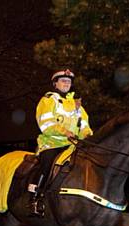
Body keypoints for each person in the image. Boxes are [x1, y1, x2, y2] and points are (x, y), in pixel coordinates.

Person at [28, 69, 93, 217]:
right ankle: (35, 198)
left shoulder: (78, 106)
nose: (66, 84)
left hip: (72, 145)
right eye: (63, 81)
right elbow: (45, 123)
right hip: (52, 143)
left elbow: (84, 125)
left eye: (69, 82)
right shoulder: (49, 100)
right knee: (47, 163)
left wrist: (88, 135)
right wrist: (64, 132)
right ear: (55, 84)